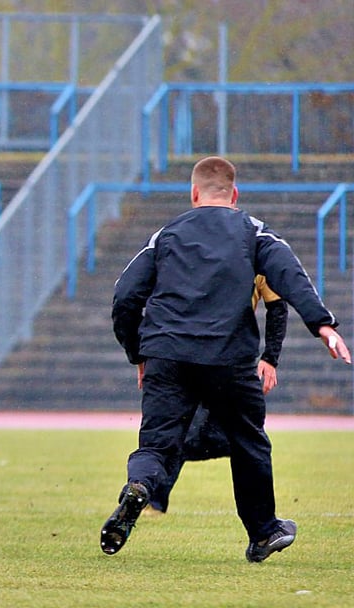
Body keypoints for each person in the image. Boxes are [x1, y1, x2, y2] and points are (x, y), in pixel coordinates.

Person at [103, 156, 350, 562]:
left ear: (193, 193)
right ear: (234, 194)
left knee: (157, 444)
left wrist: (138, 353)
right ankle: (264, 532)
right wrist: (322, 324)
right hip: (228, 358)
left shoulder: (166, 235)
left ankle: (142, 486)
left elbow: (125, 294)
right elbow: (288, 273)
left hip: (167, 353)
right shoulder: (253, 232)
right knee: (248, 440)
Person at [145, 274, 288, 515]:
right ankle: (154, 500)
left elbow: (278, 307)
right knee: (209, 435)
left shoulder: (258, 257)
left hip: (213, 359)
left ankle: (153, 498)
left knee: (193, 436)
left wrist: (270, 357)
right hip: (211, 359)